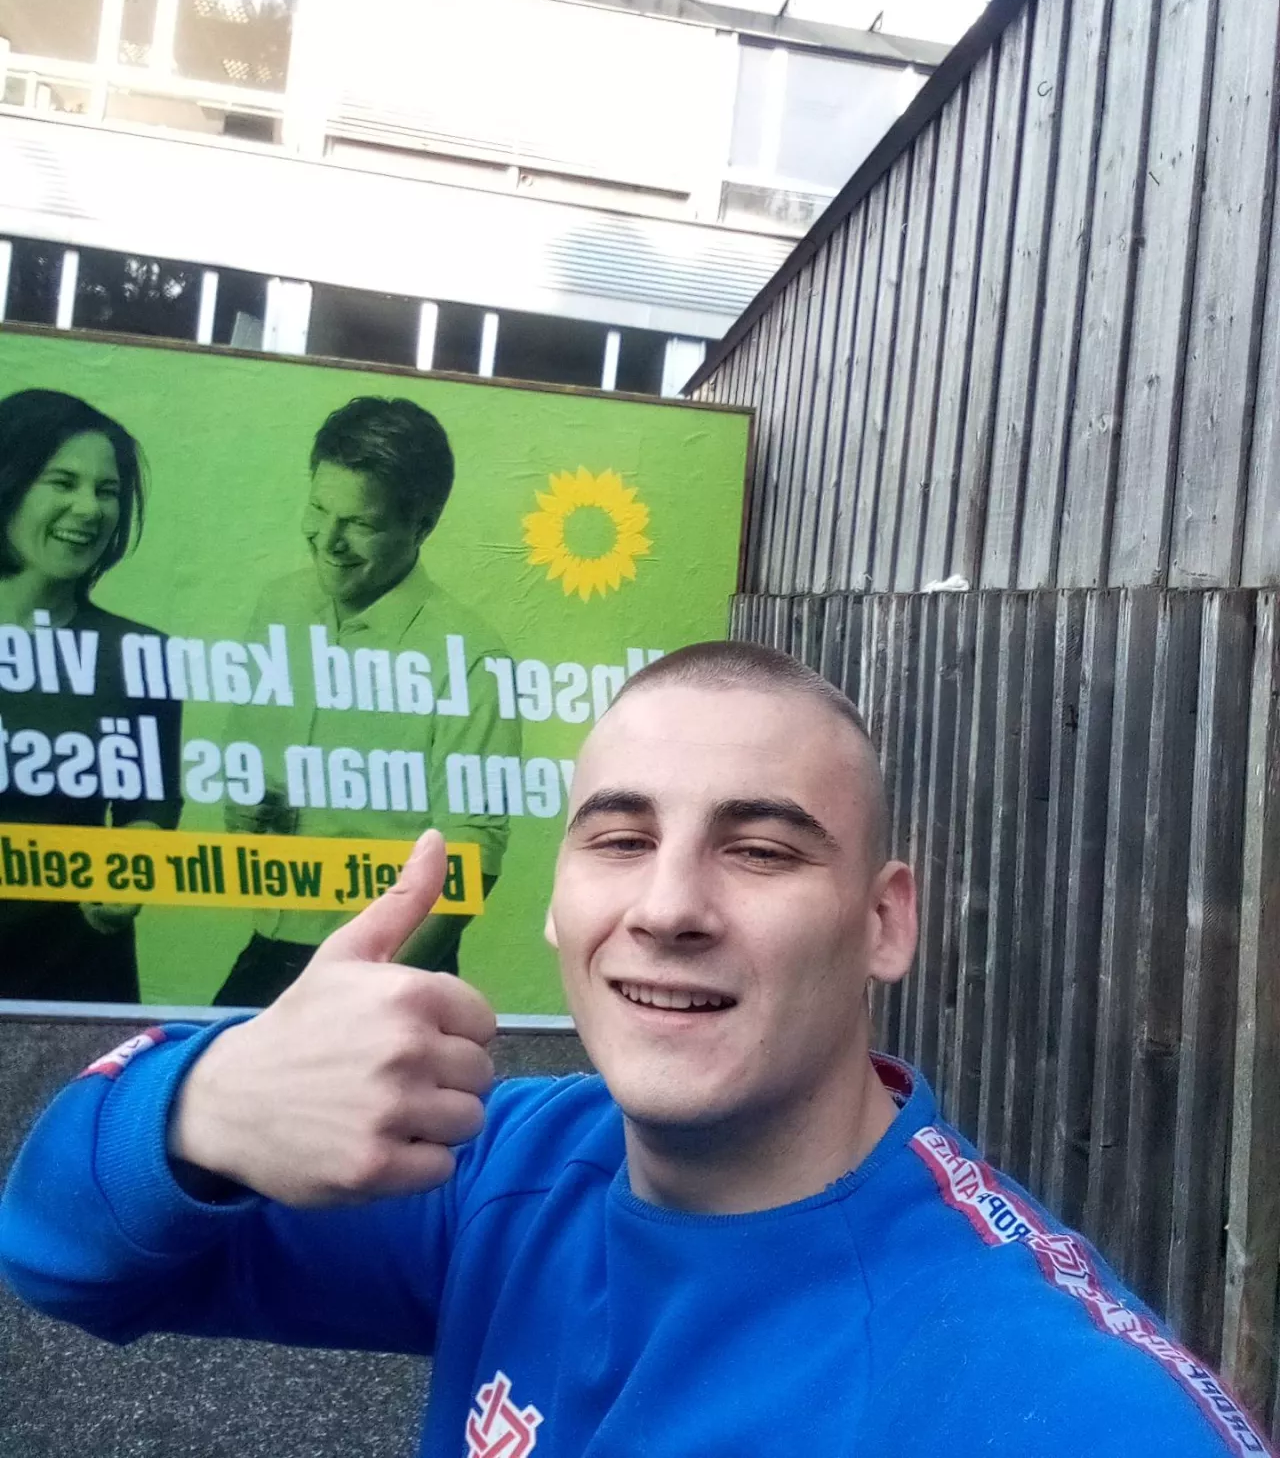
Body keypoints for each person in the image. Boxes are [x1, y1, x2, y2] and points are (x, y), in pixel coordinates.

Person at [0, 642, 1267, 1456]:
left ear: (884, 924)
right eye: (618, 840)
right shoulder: (502, 1170)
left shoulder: (1061, 1404)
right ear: (555, 903)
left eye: (758, 850)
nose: (666, 908)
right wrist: (208, 1103)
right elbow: (60, 1257)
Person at [212, 395, 519, 1008]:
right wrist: (246, 810)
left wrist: (368, 992)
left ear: (422, 525)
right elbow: (247, 774)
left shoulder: (474, 658)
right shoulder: (277, 607)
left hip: (394, 968)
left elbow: (472, 861)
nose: (329, 540)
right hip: (271, 946)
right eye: (319, 509)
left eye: (360, 523)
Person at [0, 389, 182, 1004]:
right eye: (63, 482)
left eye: (107, 491)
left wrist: (131, 868)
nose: (89, 509)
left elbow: (151, 804)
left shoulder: (139, 652)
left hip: (74, 975)